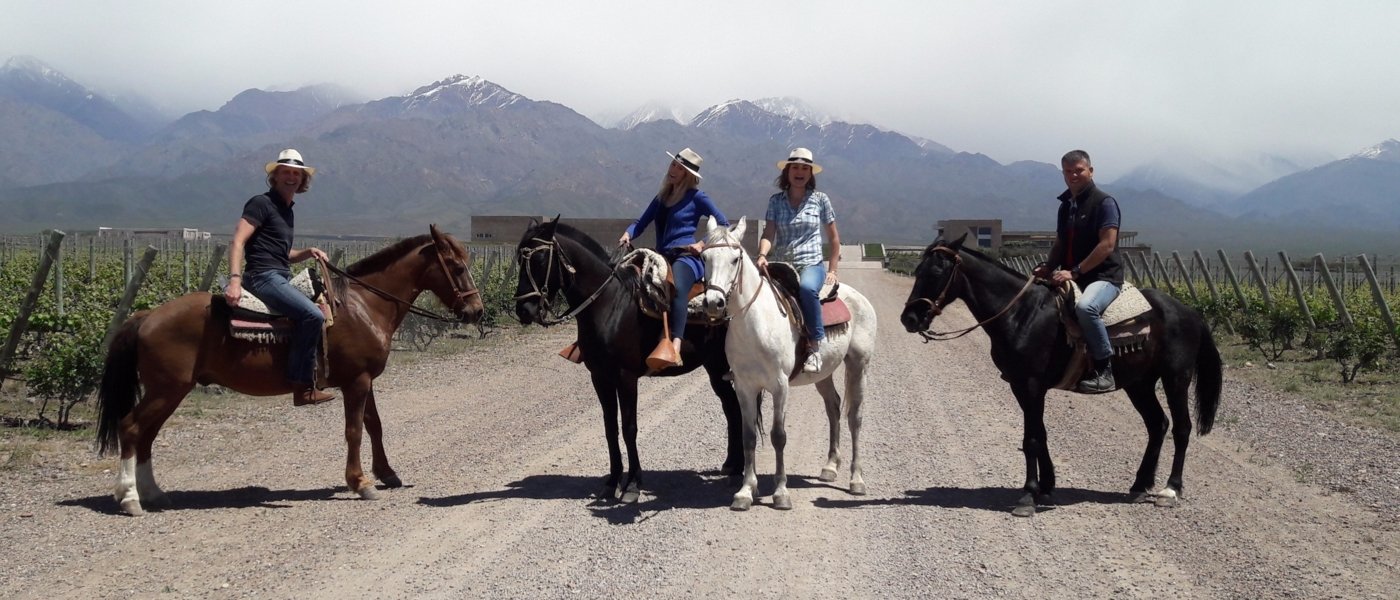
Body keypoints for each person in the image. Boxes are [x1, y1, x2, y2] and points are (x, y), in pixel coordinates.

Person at [223, 149, 336, 406]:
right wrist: (235, 279)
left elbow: (283, 254)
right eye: (286, 172)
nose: (292, 177)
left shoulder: (287, 210)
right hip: (262, 277)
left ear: (303, 180)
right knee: (312, 315)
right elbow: (238, 240)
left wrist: (308, 252)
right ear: (275, 176)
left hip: (279, 274)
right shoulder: (261, 203)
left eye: (297, 173)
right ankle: (302, 386)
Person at [619, 148, 730, 370]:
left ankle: (675, 346)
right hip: (661, 255)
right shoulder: (661, 198)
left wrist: (702, 243)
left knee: (677, 289)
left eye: (680, 168)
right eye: (673, 165)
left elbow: (723, 223)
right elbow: (640, 222)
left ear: (688, 174)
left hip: (686, 258)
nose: (674, 170)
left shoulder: (697, 197)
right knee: (622, 280)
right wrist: (629, 233)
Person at [1033, 149, 1124, 394]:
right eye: (1068, 171)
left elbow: (1107, 245)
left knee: (1086, 308)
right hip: (1072, 273)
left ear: (1091, 171)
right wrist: (1049, 267)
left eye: (1079, 170)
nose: (1073, 175)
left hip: (1103, 277)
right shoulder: (1066, 206)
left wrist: (1074, 272)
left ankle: (1105, 370)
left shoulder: (1104, 203)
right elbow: (1061, 242)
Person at [756, 148, 840, 373]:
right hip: (782, 264)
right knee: (751, 294)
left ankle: (814, 346)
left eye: (805, 168)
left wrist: (832, 269)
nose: (800, 172)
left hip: (811, 264)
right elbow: (769, 234)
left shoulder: (821, 200)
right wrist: (763, 255)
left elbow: (833, 239)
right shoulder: (775, 201)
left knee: (806, 289)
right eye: (795, 167)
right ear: (787, 171)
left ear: (811, 173)